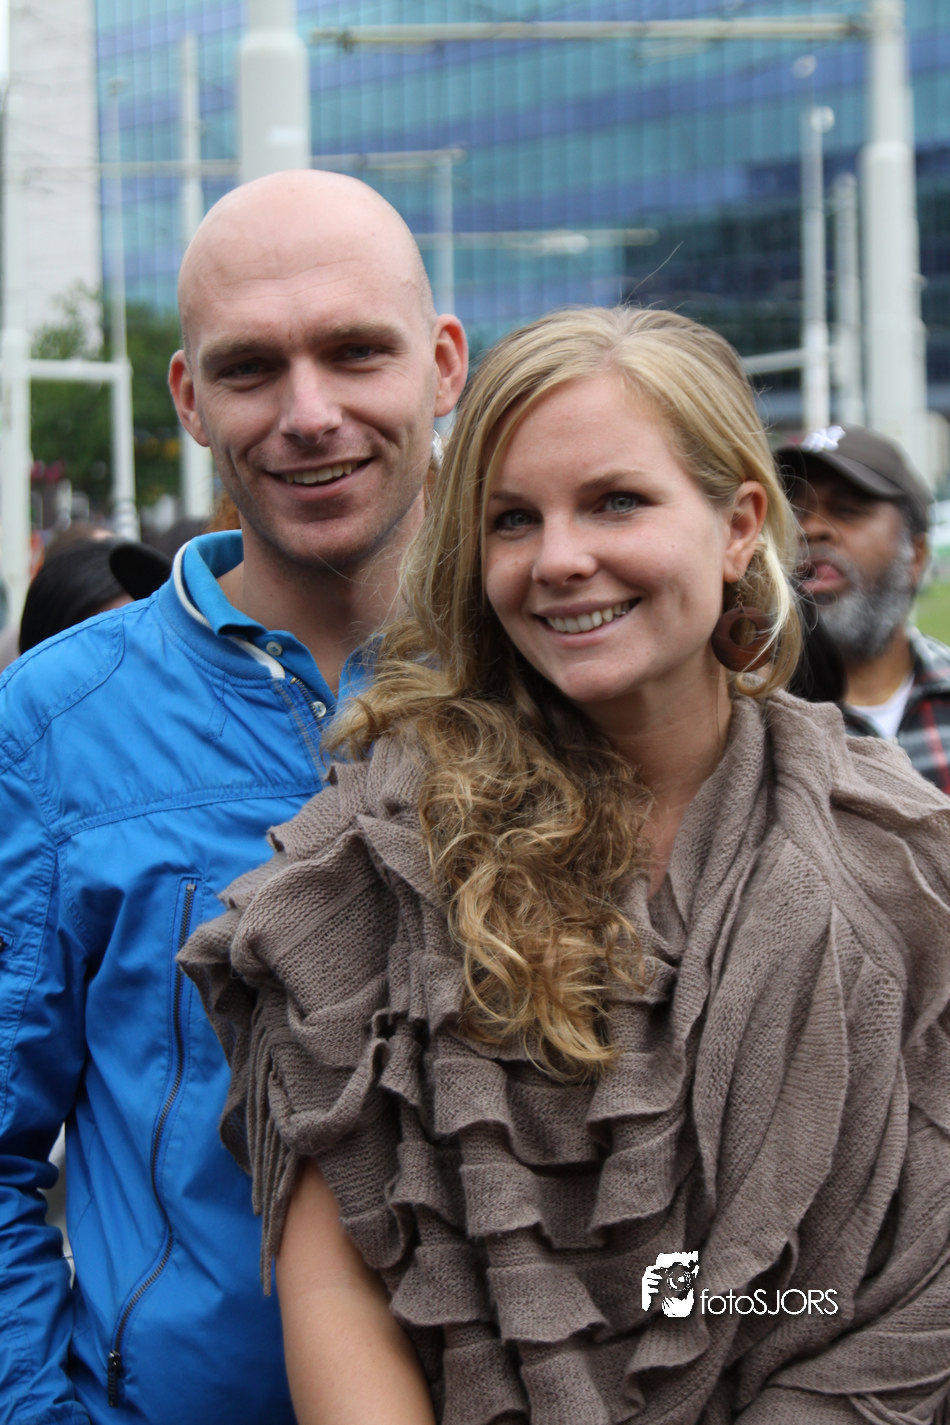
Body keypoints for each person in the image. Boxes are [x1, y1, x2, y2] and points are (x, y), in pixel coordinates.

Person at [183, 306, 950, 1425]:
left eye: (616, 501)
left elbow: (911, 1294)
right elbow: (339, 1283)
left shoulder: (902, 864)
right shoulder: (368, 860)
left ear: (738, 525)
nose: (559, 560)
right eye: (512, 519)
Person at [0, 168, 467, 1425]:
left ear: (441, 365)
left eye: (355, 352)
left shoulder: (556, 682)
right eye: (251, 367)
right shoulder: (52, 727)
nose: (309, 414)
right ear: (189, 399)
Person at [777, 425, 950, 792]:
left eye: (847, 510)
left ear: (915, 555)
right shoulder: (739, 719)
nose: (810, 529)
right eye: (792, 513)